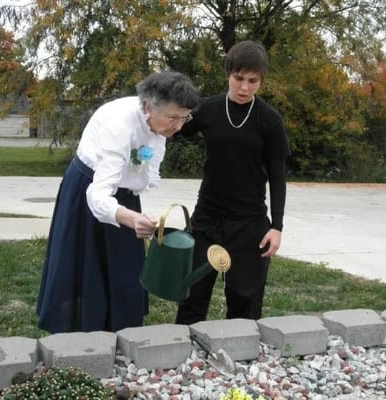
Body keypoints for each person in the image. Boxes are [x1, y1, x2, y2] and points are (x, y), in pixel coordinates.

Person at [37, 71, 200, 333]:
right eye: (173, 118)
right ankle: (80, 335)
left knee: (126, 267)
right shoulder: (120, 125)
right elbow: (98, 194)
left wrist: (131, 212)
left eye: (184, 117)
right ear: (148, 107)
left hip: (124, 197)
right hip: (88, 190)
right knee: (86, 270)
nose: (179, 126)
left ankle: (123, 332)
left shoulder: (160, 123)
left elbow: (142, 166)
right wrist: (131, 218)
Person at [175, 40, 290, 324]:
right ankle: (183, 356)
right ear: (228, 73)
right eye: (239, 78)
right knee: (193, 293)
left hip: (250, 223)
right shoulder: (209, 109)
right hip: (208, 218)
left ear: (261, 80)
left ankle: (241, 357)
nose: (244, 87)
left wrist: (277, 226)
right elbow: (172, 128)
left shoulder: (270, 120)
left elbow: (278, 175)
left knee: (245, 300)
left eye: (253, 81)